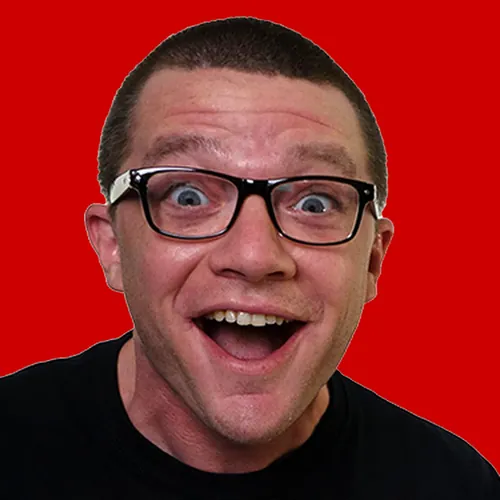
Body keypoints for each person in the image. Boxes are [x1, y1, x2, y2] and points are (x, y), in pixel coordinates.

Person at [1, 17, 498, 499]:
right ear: (111, 244)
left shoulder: (454, 485)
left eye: (314, 204)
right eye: (188, 196)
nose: (255, 256)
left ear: (372, 260)